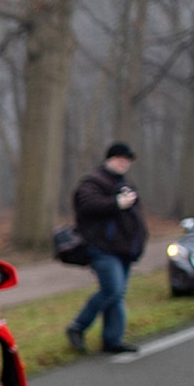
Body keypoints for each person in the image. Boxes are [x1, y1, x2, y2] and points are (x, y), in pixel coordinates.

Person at [65, 142, 148, 354]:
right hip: (101, 248)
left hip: (124, 250)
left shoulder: (127, 184)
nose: (123, 164)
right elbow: (87, 206)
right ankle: (78, 326)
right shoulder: (92, 182)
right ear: (109, 159)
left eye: (126, 160)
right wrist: (116, 203)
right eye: (120, 159)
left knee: (117, 294)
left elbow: (136, 219)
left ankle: (112, 340)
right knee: (112, 290)